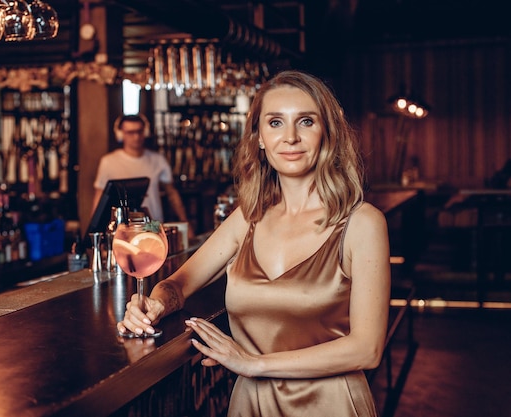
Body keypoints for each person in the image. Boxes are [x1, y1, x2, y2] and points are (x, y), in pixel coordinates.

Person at [117, 70, 391, 416]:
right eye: (275, 123)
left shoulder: (362, 222)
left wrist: (253, 364)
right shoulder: (249, 217)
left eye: (305, 121)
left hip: (330, 404)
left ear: (327, 134)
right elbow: (178, 284)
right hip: (251, 405)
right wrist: (154, 305)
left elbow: (367, 349)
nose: (290, 137)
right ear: (259, 137)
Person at [91, 114, 190, 228]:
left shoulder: (158, 160)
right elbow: (99, 199)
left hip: (154, 226)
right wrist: (93, 229)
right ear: (120, 134)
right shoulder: (108, 162)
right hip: (122, 229)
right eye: (130, 133)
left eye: (139, 132)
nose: (136, 137)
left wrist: (185, 221)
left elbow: (172, 194)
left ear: (145, 132)